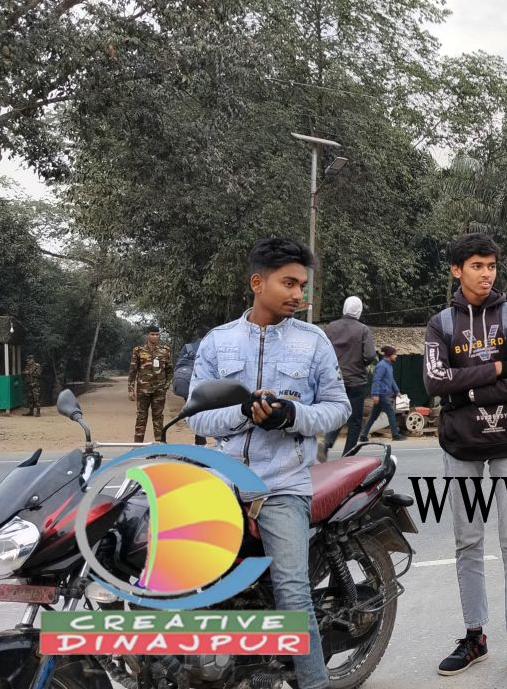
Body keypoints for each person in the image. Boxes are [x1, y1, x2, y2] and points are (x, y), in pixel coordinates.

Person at [187, 237, 349, 689]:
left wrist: (292, 416)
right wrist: (242, 412)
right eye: (289, 283)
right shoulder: (218, 342)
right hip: (222, 482)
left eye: (302, 284)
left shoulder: (314, 342)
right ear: (258, 283)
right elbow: (196, 414)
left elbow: (338, 408)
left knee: (293, 594)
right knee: (187, 581)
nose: (299, 294)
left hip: (282, 486)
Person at [422, 233, 507, 688]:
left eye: (492, 265)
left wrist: (472, 389)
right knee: (467, 542)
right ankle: (474, 637)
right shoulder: (440, 323)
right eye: (477, 265)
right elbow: (436, 382)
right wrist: (499, 368)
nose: (486, 273)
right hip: (460, 446)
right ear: (457, 270)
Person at [322, 296, 377, 459]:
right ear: (359, 311)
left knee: (338, 413)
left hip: (335, 380)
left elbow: (323, 352)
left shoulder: (331, 328)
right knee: (354, 420)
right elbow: (370, 355)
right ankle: (348, 455)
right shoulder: (363, 330)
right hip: (356, 381)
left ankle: (326, 443)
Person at [127, 325, 173, 442]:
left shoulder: (165, 351)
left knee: (158, 418)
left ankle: (160, 444)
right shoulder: (138, 350)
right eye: (152, 334)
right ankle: (137, 445)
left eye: (157, 334)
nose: (155, 336)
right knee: (141, 417)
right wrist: (131, 389)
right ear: (147, 335)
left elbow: (170, 371)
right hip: (143, 390)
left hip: (159, 391)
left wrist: (166, 386)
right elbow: (133, 370)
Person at [358, 346, 405, 442]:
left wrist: (397, 391)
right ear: (389, 355)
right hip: (382, 395)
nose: (396, 356)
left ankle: (363, 435)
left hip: (382, 395)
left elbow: (391, 380)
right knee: (391, 413)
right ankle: (395, 435)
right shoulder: (382, 366)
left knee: (373, 416)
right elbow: (376, 380)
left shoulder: (388, 366)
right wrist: (375, 394)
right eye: (395, 354)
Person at [172, 327, 209, 444]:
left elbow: (179, 364)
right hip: (204, 383)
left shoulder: (187, 347)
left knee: (194, 408)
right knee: (203, 410)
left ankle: (199, 439)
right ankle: (201, 438)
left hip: (187, 382)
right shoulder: (210, 346)